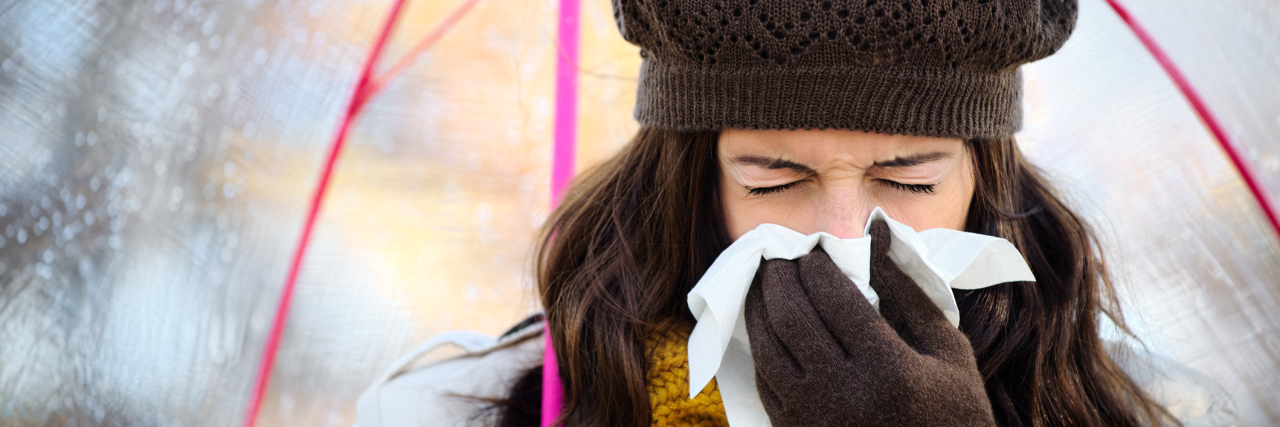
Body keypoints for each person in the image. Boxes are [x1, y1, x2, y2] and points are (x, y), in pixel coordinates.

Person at [355, 0, 1236, 425]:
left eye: (911, 178)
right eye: (774, 179)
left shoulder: (1163, 413)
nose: (844, 233)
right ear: (692, 181)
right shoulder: (452, 413)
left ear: (984, 176)